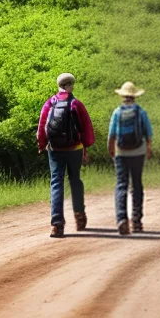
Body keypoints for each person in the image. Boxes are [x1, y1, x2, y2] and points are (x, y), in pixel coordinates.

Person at [38, 72, 95, 238]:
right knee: (75, 180)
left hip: (55, 150)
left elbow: (42, 126)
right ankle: (79, 217)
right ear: (71, 86)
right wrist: (85, 148)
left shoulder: (49, 103)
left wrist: (41, 145)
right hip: (75, 149)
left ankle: (57, 225)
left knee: (56, 183)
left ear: (59, 86)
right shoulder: (76, 104)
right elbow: (86, 128)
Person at [107, 81, 154, 235]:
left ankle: (121, 219)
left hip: (121, 152)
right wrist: (148, 149)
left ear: (122, 96)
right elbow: (148, 133)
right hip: (138, 152)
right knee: (137, 185)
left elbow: (112, 135)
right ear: (134, 96)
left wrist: (111, 150)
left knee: (121, 185)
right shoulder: (141, 112)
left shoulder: (117, 112)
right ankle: (137, 222)